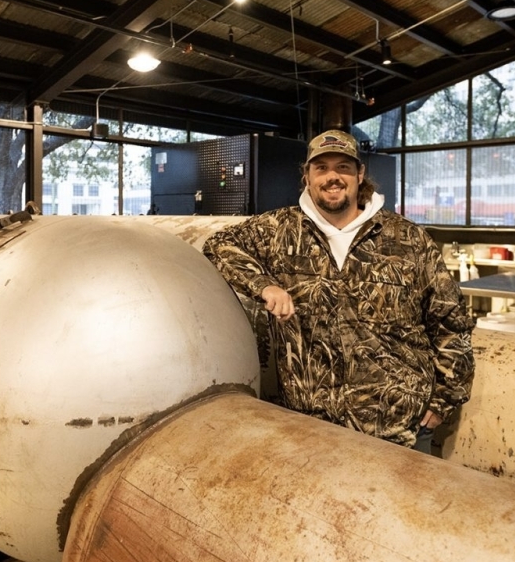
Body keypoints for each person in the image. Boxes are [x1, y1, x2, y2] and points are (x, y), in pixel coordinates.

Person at [202, 129, 474, 453]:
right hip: (312, 429)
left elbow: (451, 323)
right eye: (322, 168)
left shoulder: (409, 239)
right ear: (307, 176)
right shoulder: (279, 230)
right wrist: (265, 286)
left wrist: (444, 400)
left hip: (399, 430)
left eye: (343, 167)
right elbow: (218, 245)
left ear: (360, 174)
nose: (333, 177)